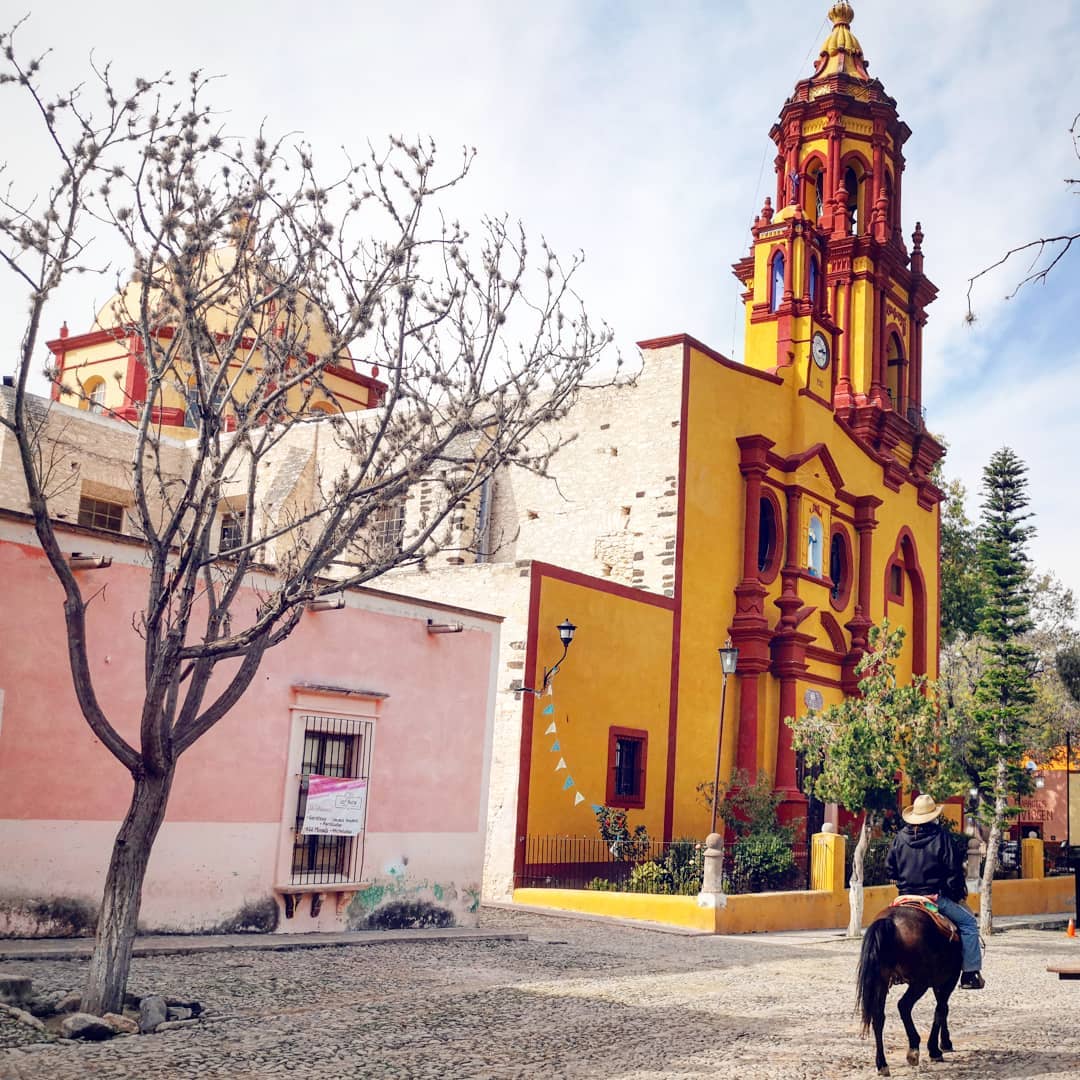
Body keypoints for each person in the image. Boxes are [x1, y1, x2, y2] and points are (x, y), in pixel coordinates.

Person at [885, 793, 984, 990]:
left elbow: (889, 868)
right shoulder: (942, 837)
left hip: (904, 896)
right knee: (969, 923)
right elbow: (952, 871)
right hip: (933, 897)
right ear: (933, 816)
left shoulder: (900, 838)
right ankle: (970, 974)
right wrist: (954, 892)